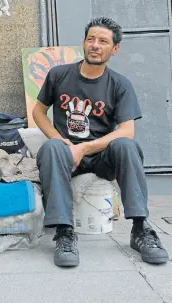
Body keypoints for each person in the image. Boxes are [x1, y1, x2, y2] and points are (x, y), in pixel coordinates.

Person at [33, 17, 169, 267]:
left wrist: (84, 147)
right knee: (52, 147)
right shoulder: (59, 75)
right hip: (66, 156)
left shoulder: (120, 84)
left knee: (126, 145)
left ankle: (141, 229)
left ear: (114, 49)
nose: (95, 45)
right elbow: (38, 112)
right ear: (84, 43)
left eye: (103, 41)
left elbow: (127, 130)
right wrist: (61, 141)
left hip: (101, 158)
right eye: (91, 39)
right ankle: (64, 232)